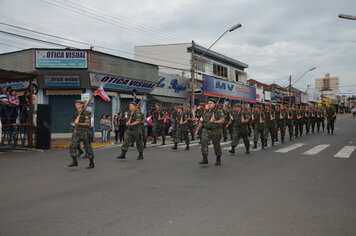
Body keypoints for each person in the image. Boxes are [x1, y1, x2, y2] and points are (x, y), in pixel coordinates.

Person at [195, 98, 225, 166]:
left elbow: (222, 120)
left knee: (216, 145)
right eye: (208, 103)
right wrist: (197, 130)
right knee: (204, 142)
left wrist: (215, 121)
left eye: (211, 103)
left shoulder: (218, 111)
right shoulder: (206, 111)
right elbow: (201, 122)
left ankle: (218, 158)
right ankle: (205, 158)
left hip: (216, 131)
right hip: (206, 130)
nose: (209, 104)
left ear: (215, 104)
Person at [68, 100, 95, 169]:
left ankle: (91, 163)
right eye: (75, 104)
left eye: (77, 104)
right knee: (72, 145)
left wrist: (78, 123)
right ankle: (74, 161)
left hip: (85, 132)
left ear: (81, 105)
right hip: (78, 132)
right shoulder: (76, 113)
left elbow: (88, 124)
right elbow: (75, 123)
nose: (76, 105)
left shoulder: (85, 113)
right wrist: (75, 129)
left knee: (88, 148)